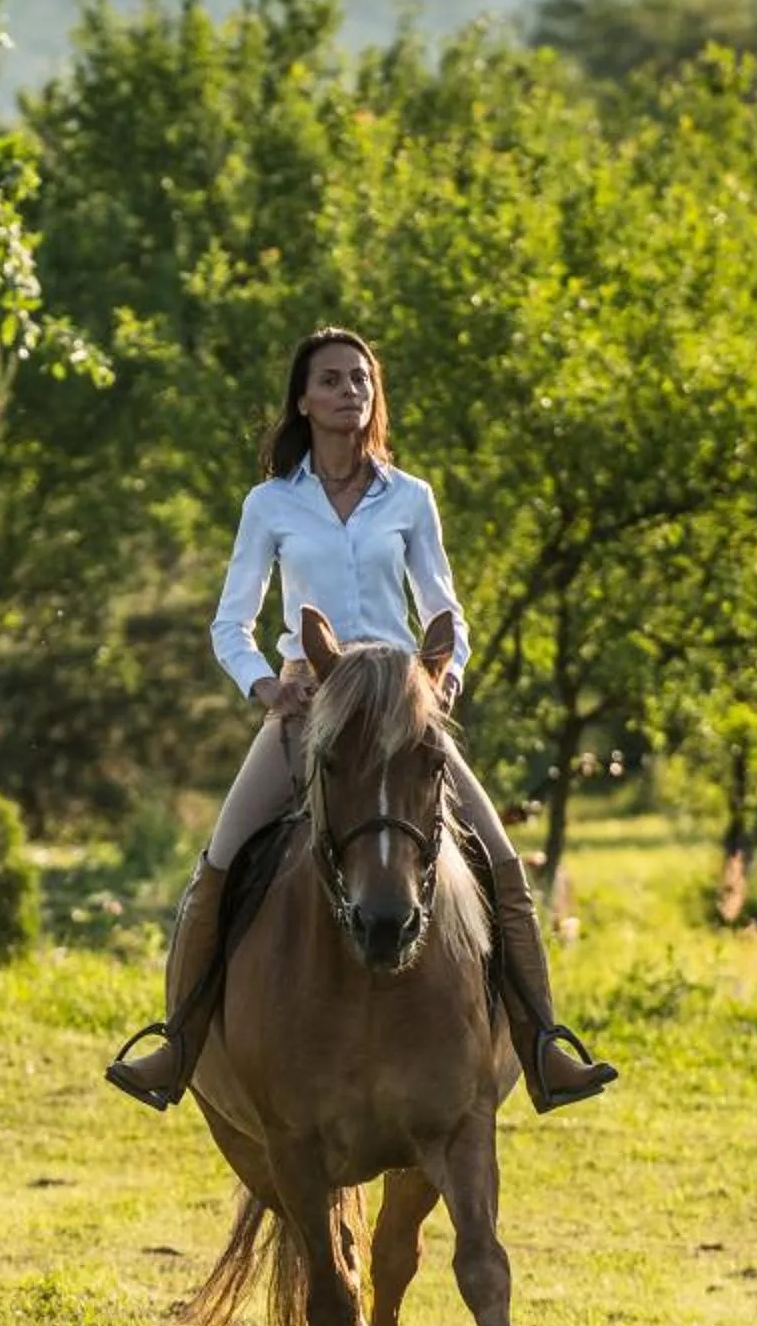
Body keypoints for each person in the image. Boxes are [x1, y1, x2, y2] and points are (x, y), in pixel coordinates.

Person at [104, 326, 615, 1114]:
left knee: (504, 865)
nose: (352, 392)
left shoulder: (411, 498)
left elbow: (447, 611)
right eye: (334, 381)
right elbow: (228, 625)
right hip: (310, 707)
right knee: (220, 863)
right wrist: (265, 688)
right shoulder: (270, 504)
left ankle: (545, 1045)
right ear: (304, 400)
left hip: (399, 708)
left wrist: (443, 682)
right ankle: (176, 1045)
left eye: (362, 380)